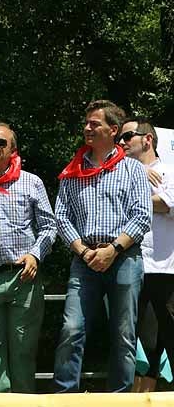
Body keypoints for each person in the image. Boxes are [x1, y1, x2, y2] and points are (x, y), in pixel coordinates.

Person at [53, 100, 152, 392]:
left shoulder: (133, 169)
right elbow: (61, 216)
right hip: (83, 258)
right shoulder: (72, 170)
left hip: (124, 258)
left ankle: (120, 398)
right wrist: (84, 251)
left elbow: (142, 216)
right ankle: (65, 396)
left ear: (113, 129)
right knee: (71, 329)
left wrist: (113, 250)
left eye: (94, 124)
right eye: (86, 123)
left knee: (124, 334)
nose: (87, 128)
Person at [0, 122, 57, 393]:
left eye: (0, 142)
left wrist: (35, 255)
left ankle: (24, 401)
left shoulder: (31, 182)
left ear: (12, 150)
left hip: (23, 277)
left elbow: (49, 226)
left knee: (23, 351)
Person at [119, 117, 174, 392]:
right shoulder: (124, 173)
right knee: (141, 344)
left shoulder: (169, 170)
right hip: (130, 266)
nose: (121, 143)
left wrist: (134, 186)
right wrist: (138, 176)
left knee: (167, 338)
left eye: (127, 137)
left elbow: (167, 204)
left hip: (165, 269)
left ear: (147, 139)